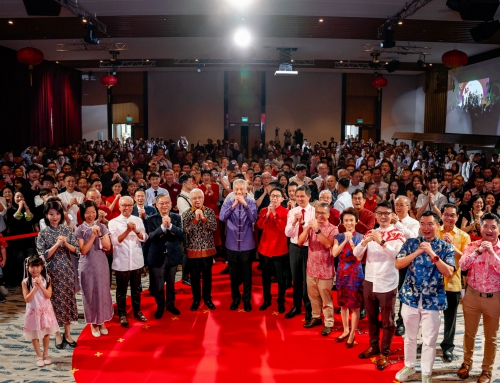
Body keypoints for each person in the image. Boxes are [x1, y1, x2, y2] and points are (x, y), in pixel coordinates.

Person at [394, 211, 455, 383]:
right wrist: (417, 253)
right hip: (410, 298)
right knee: (410, 336)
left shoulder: (445, 247)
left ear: (437, 226)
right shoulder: (411, 243)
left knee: (429, 340)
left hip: (433, 300)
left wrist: (432, 254)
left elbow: (449, 272)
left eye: (430, 224)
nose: (425, 228)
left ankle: (426, 374)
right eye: (422, 224)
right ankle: (409, 365)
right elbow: (398, 263)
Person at [353, 201, 406, 371]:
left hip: (387, 281)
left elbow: (397, 255)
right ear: (375, 215)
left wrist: (382, 242)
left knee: (388, 320)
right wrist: (363, 243)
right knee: (371, 317)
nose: (383, 216)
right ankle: (374, 346)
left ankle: (385, 352)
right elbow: (356, 254)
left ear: (392, 216)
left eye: (386, 213)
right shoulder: (370, 232)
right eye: (380, 213)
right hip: (369, 279)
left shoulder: (398, 234)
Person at [457, 212, 500, 383]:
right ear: (480, 227)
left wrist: (492, 253)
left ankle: (487, 371)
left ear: (499, 229)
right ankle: (466, 364)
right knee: (469, 333)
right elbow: (462, 265)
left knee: (491, 337)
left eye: (493, 227)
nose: (489, 230)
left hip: (494, 297)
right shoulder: (472, 245)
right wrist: (478, 251)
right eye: (485, 226)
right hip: (473, 295)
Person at [36, 201, 80, 349]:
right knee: (53, 303)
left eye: (57, 214)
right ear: (46, 216)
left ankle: (68, 333)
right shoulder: (43, 233)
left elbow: (77, 250)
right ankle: (57, 334)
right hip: (52, 272)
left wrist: (66, 243)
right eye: (51, 214)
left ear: (61, 215)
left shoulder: (67, 230)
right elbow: (42, 256)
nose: (54, 217)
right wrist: (56, 244)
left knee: (67, 300)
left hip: (67, 270)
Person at [437, 203, 470, 363]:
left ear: (457, 217)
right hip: (433, 282)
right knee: (429, 317)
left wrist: (451, 246)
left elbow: (466, 259)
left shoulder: (464, 236)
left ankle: (447, 347)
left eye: (453, 215)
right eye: (446, 214)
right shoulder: (435, 232)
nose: (449, 218)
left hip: (453, 283)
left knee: (450, 319)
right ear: (441, 215)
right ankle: (426, 343)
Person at [75, 200, 113, 338]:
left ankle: (102, 321)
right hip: (87, 265)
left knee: (102, 292)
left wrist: (101, 235)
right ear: (82, 214)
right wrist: (92, 236)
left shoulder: (102, 226)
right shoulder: (79, 229)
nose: (91, 215)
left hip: (101, 263)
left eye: (93, 212)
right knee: (89, 294)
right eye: (87, 212)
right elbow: (83, 250)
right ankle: (93, 323)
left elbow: (108, 247)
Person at [108, 196, 148, 327]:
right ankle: (122, 314)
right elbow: (114, 241)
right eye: (124, 205)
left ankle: (137, 311)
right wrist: (127, 230)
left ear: (133, 206)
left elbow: (144, 238)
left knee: (136, 289)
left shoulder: (137, 220)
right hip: (121, 262)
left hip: (136, 260)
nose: (126, 208)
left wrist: (135, 230)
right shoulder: (113, 222)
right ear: (119, 207)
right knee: (121, 291)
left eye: (129, 205)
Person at [298, 202, 336, 336]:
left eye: (323, 213)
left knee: (326, 299)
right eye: (317, 212)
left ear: (328, 214)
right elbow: (300, 242)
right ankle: (316, 317)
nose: (319, 215)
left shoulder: (333, 229)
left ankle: (329, 322)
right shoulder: (311, 226)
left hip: (325, 269)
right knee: (313, 296)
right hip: (311, 268)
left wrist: (317, 230)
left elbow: (328, 244)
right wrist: (306, 229)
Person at [220, 179, 258, 311]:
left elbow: (253, 218)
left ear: (246, 190)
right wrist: (233, 205)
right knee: (233, 275)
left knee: (247, 275)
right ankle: (235, 298)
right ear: (233, 190)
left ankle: (247, 300)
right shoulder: (228, 202)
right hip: (231, 244)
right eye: (237, 189)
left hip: (247, 245)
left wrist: (245, 205)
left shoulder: (252, 202)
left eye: (242, 189)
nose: (239, 192)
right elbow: (222, 217)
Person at [146, 194, 184, 319]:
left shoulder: (176, 217)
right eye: (161, 203)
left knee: (171, 283)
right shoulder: (151, 219)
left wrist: (171, 226)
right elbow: (151, 236)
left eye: (166, 203)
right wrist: (162, 227)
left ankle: (171, 305)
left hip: (172, 255)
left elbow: (181, 234)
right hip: (157, 256)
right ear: (156, 205)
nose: (164, 205)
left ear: (171, 205)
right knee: (158, 284)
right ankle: (160, 306)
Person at [331, 207, 364, 347]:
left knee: (355, 306)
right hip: (342, 274)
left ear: (356, 221)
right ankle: (345, 330)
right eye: (346, 221)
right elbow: (334, 254)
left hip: (355, 273)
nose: (349, 223)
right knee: (343, 305)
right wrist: (345, 240)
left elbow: (359, 256)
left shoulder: (361, 237)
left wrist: (351, 241)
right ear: (342, 223)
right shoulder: (338, 236)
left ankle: (352, 333)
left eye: (351, 220)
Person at [182, 188, 217, 311]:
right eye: (194, 198)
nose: (197, 200)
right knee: (195, 277)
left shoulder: (209, 212)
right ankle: (196, 299)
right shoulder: (186, 214)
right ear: (190, 200)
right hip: (193, 250)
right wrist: (196, 219)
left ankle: (207, 298)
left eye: (199, 198)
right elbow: (186, 230)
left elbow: (213, 227)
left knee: (207, 276)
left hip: (207, 249)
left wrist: (203, 218)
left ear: (203, 198)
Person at [22, 254, 59, 367]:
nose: (35, 269)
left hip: (45, 311)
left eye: (37, 266)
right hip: (33, 312)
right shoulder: (25, 282)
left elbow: (48, 295)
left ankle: (46, 353)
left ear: (42, 267)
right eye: (32, 266)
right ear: (28, 268)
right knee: (35, 334)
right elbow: (27, 299)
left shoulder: (47, 279)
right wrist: (34, 287)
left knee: (46, 333)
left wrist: (41, 286)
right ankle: (39, 355)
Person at [256, 187, 289, 313]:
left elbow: (282, 228)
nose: (274, 198)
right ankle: (267, 300)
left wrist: (274, 215)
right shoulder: (264, 210)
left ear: (282, 198)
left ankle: (281, 301)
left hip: (279, 249)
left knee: (280, 278)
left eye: (277, 196)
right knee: (265, 277)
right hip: (265, 248)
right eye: (272, 196)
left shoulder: (286, 212)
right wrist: (268, 214)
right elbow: (259, 225)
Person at [284, 185, 315, 321]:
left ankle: (309, 309)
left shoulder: (314, 211)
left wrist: (303, 222)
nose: (300, 199)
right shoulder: (292, 212)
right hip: (295, 247)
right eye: (298, 196)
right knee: (296, 278)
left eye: (302, 196)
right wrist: (294, 222)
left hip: (309, 248)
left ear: (309, 196)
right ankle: (296, 306)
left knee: (307, 280)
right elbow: (287, 233)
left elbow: (314, 231)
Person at [391, 195, 420, 336]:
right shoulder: (389, 221)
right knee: (388, 291)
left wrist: (397, 224)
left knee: (403, 293)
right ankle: (388, 318)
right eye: (397, 204)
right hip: (389, 260)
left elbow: (413, 237)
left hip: (405, 262)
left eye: (402, 204)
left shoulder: (414, 223)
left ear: (408, 207)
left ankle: (401, 322)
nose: (398, 207)